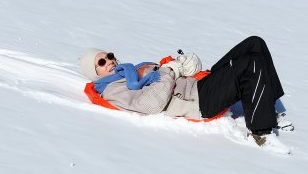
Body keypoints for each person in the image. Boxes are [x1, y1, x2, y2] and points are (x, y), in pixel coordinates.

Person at [79, 36, 290, 146]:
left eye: (110, 55)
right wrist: (169, 71)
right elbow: (150, 104)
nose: (110, 61)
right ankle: (261, 133)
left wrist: (183, 63)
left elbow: (162, 70)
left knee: (255, 44)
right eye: (102, 62)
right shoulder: (113, 89)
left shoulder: (132, 70)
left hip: (198, 85)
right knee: (252, 63)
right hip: (198, 102)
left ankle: (269, 103)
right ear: (95, 73)